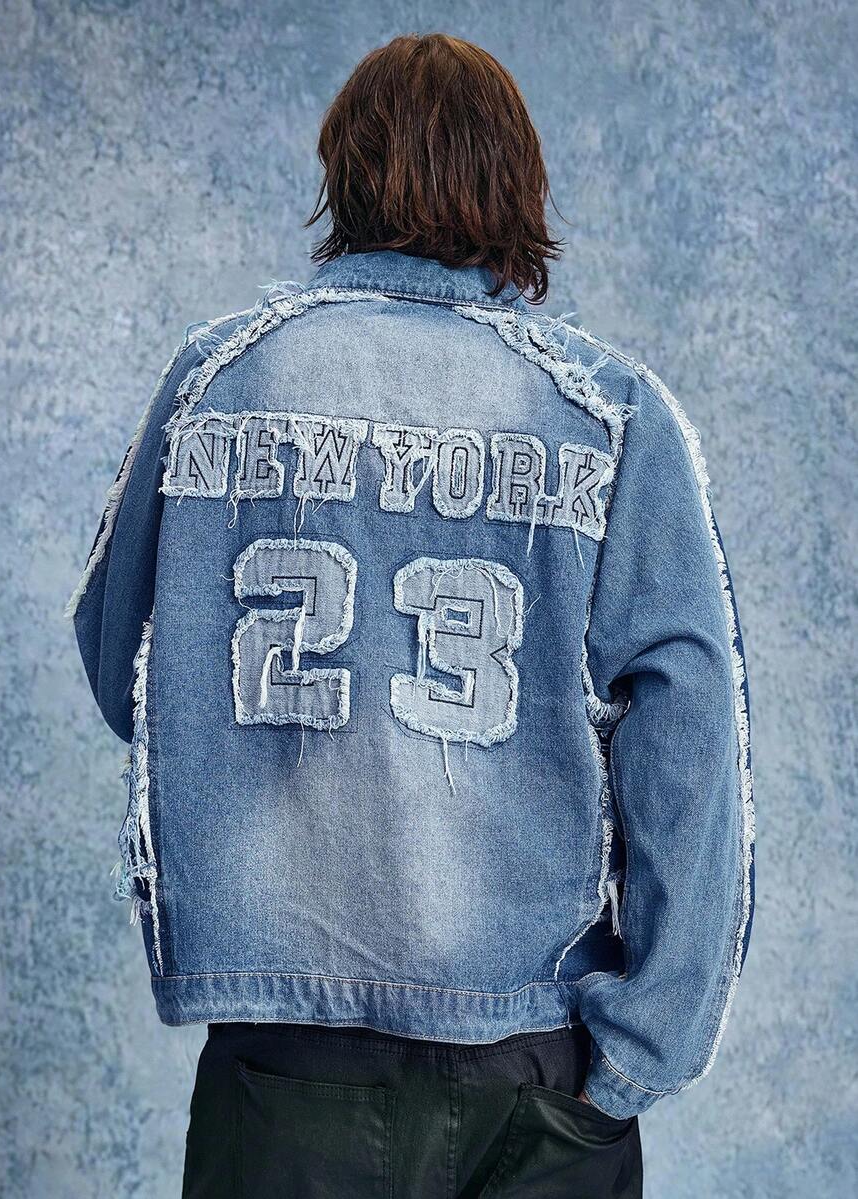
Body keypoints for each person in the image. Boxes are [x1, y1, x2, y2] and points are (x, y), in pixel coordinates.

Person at [69, 32, 753, 1199]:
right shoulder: (609, 414)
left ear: (344, 174)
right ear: (517, 184)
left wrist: (258, 763)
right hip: (532, 1056)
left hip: (283, 1056)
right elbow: (692, 745)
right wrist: (640, 1055)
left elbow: (119, 660)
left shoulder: (216, 379)